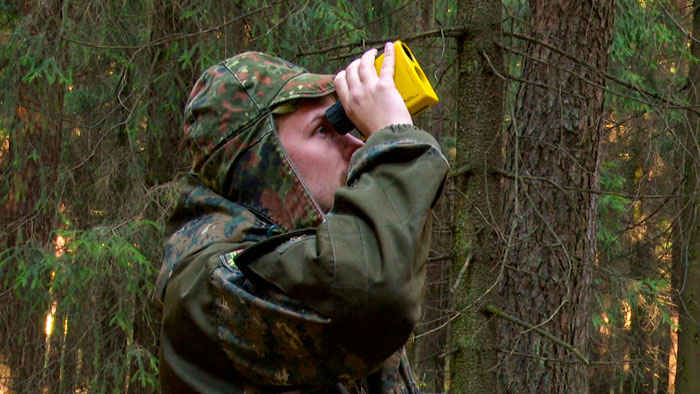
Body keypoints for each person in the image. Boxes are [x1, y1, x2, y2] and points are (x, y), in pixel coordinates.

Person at [153, 42, 449, 393]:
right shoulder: (212, 282)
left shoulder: (318, 266)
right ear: (260, 161)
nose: (357, 147)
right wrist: (394, 142)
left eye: (349, 130)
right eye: (324, 130)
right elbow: (372, 297)